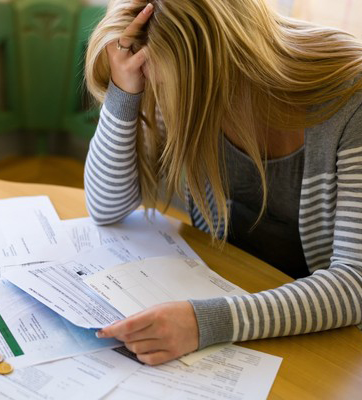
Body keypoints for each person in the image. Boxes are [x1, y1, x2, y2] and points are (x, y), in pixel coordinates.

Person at [86, 0, 362, 365]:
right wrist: (125, 93)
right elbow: (106, 205)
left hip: (323, 330)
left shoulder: (349, 95)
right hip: (234, 291)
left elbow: (355, 282)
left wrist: (206, 322)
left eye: (161, 82)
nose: (159, 94)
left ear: (224, 64)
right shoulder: (181, 79)